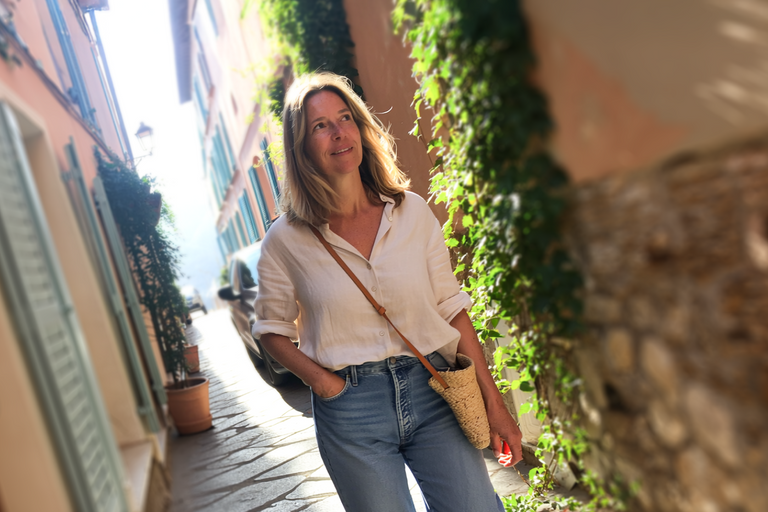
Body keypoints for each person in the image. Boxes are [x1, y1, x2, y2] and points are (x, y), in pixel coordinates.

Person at [252, 72, 523, 512]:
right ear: (301, 147)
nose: (338, 132)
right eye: (320, 125)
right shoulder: (285, 240)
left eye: (345, 118)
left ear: (360, 127)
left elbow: (452, 310)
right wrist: (325, 385)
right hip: (351, 407)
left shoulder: (411, 212)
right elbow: (270, 330)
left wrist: (494, 403)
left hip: (434, 386)